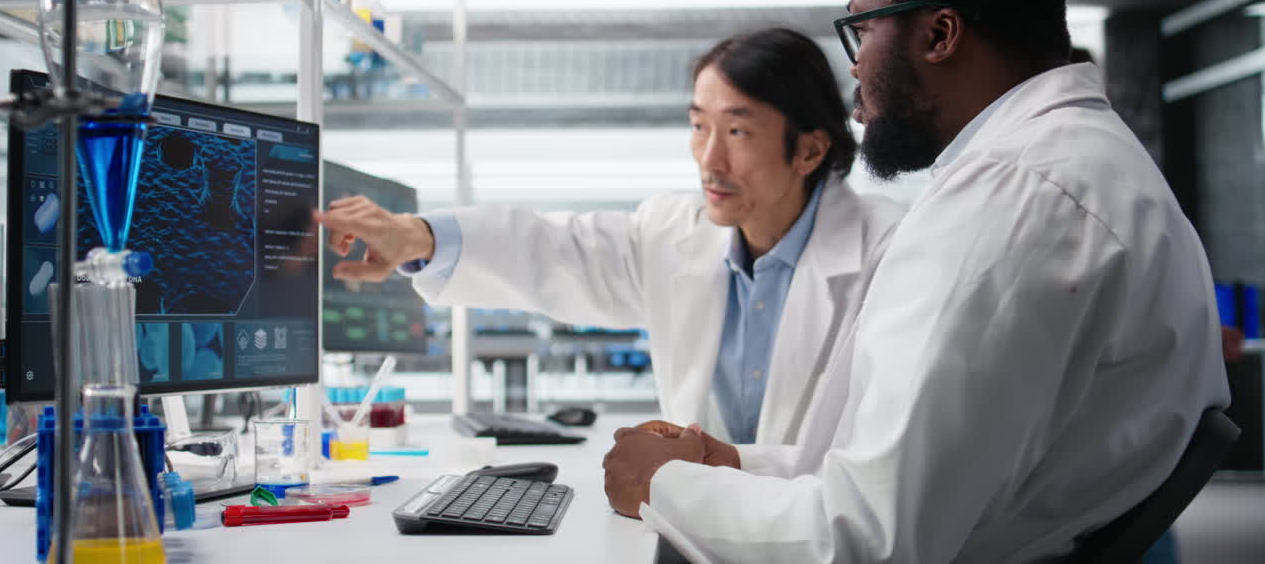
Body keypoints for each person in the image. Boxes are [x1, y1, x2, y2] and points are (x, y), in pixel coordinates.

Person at [601, 0, 1230, 563]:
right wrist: (735, 464)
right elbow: (920, 478)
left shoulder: (1015, 203)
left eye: (863, 29)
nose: (855, 65)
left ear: (938, 34)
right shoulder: (1075, 165)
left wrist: (658, 484)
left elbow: (868, 540)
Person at [315, 28, 904, 446]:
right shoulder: (672, 236)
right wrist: (416, 236)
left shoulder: (886, 254)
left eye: (738, 131)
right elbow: (553, 249)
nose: (709, 159)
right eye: (698, 126)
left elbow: (879, 461)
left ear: (808, 149)